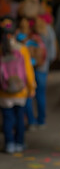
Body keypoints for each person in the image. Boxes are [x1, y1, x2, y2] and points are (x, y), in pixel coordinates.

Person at [17, 0, 57, 131]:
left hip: (25, 65)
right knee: (40, 93)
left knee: (27, 93)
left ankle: (31, 121)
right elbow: (51, 47)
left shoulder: (21, 27)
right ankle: (41, 120)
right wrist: (47, 61)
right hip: (41, 65)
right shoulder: (46, 26)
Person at [0, 17, 36, 153]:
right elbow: (28, 71)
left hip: (4, 91)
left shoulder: (1, 50)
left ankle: (9, 144)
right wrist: (31, 87)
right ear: (16, 32)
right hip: (21, 91)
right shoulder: (22, 50)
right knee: (20, 118)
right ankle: (19, 143)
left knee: (8, 118)